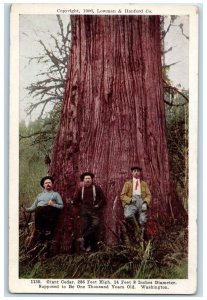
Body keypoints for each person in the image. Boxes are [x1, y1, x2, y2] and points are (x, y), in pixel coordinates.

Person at [22, 176, 64, 244]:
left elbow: (61, 206)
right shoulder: (39, 195)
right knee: (38, 211)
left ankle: (48, 238)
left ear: (52, 184)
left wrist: (53, 205)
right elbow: (33, 207)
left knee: (48, 231)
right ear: (43, 185)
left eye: (49, 183)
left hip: (49, 214)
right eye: (46, 183)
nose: (48, 184)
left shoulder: (56, 194)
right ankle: (40, 240)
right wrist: (25, 210)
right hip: (39, 215)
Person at [74, 172, 106, 252]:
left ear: (92, 180)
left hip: (94, 210)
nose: (87, 180)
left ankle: (84, 238)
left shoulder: (97, 188)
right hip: (84, 211)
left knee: (95, 225)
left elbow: (103, 200)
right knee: (85, 227)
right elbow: (75, 201)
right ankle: (87, 246)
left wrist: (98, 205)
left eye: (89, 178)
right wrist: (80, 207)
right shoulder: (81, 189)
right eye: (86, 178)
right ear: (83, 180)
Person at [120, 166, 151, 240]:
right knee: (127, 215)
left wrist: (145, 203)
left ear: (140, 173)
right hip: (132, 202)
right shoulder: (128, 183)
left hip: (141, 201)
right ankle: (137, 228)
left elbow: (148, 195)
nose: (136, 172)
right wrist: (130, 200)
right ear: (132, 173)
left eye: (138, 171)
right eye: (134, 171)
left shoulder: (143, 183)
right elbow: (122, 196)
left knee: (143, 220)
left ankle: (140, 239)